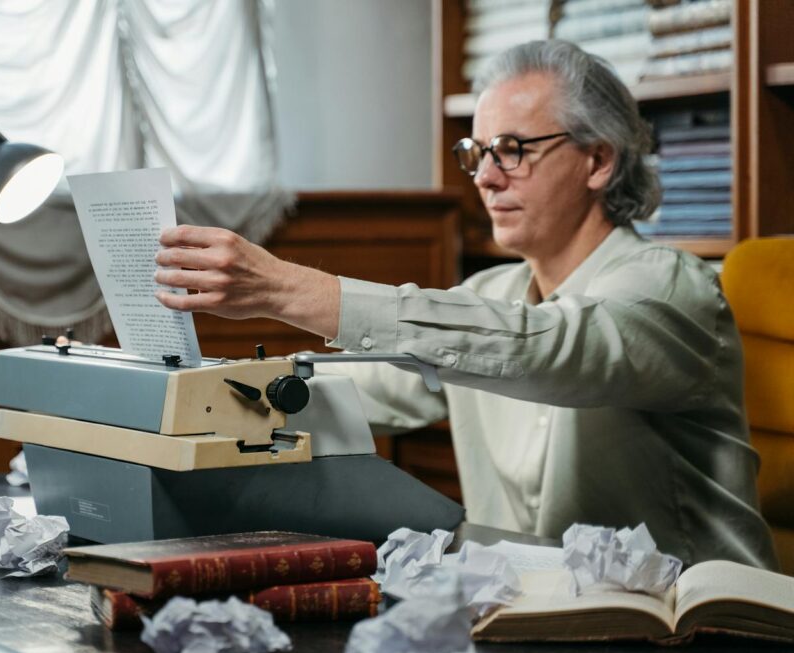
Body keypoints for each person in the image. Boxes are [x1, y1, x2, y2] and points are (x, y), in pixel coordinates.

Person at [153, 40, 778, 569]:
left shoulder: (675, 288)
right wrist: (189, 394)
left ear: (599, 159)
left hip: (701, 639)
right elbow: (345, 393)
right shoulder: (489, 297)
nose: (483, 177)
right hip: (536, 627)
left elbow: (545, 347)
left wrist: (287, 288)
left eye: (512, 149)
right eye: (477, 154)